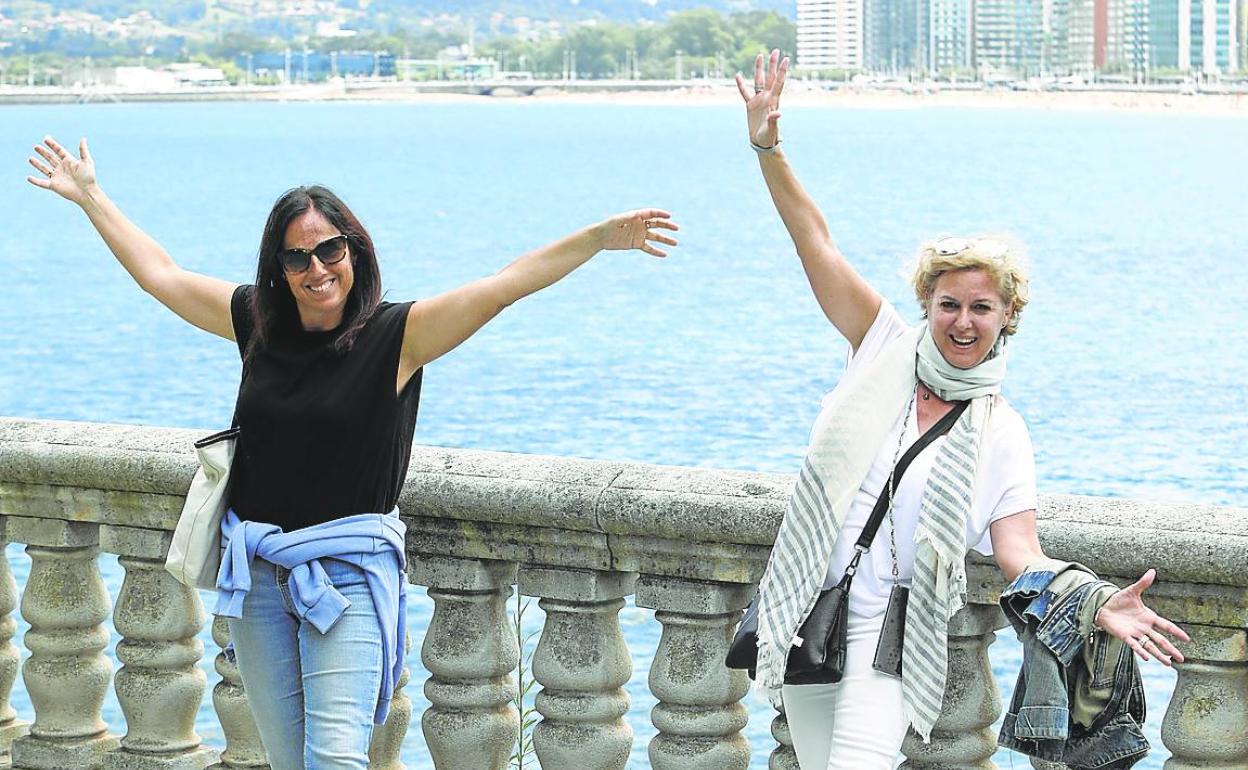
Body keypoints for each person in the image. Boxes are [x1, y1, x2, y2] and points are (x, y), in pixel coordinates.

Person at [26, 135, 678, 770]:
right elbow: (160, 275)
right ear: (277, 270)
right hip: (256, 577)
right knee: (288, 759)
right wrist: (92, 198)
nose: (317, 269)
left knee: (335, 756)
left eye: (330, 249)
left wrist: (596, 239)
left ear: (354, 250)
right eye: (297, 257)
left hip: (346, 577)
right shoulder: (257, 322)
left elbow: (503, 285)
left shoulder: (398, 336)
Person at [734, 51, 1188, 770]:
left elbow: (1019, 554)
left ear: (1008, 316)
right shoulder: (881, 347)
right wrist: (768, 146)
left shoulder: (1002, 432)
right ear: (927, 306)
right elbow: (812, 238)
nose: (964, 322)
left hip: (891, 639)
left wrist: (1095, 601)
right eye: (949, 305)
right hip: (806, 619)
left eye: (982, 307)